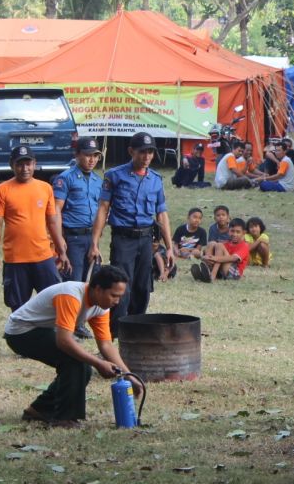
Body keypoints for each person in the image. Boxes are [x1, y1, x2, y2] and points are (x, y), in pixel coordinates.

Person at [4, 264, 138, 428]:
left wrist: (129, 375)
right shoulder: (71, 295)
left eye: (120, 297)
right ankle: (64, 418)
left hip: (44, 329)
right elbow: (64, 341)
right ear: (97, 289)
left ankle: (39, 410)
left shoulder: (101, 307)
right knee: (77, 362)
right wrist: (98, 363)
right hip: (21, 332)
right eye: (114, 295)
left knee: (78, 364)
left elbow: (106, 344)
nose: (117, 301)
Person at [89, 131, 174, 334]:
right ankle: (116, 333)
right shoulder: (114, 176)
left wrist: (169, 248)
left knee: (143, 287)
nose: (147, 157)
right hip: (123, 238)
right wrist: (94, 242)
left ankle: (136, 329)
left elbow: (162, 214)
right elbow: (103, 208)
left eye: (150, 152)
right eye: (142, 152)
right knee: (121, 288)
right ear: (131, 151)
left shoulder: (155, 179)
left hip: (146, 239)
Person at [0, 145, 70, 311]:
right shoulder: (1, 190)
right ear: (12, 165)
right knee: (18, 309)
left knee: (55, 304)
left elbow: (52, 221)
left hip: (43, 256)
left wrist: (61, 251)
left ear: (34, 164)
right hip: (15, 259)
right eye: (20, 164)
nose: (24, 168)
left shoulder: (45, 188)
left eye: (28, 164)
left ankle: (52, 337)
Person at [52, 137, 103, 284]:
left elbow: (100, 209)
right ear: (77, 155)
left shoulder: (98, 181)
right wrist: (60, 240)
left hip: (92, 237)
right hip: (73, 238)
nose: (92, 160)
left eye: (95, 155)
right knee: (74, 282)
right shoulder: (65, 178)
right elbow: (56, 210)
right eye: (88, 155)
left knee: (92, 282)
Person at [191, 218, 249, 282]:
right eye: (232, 231)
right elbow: (205, 252)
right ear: (228, 231)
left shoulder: (244, 246)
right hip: (222, 272)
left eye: (238, 232)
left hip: (234, 274)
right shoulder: (226, 243)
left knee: (219, 245)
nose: (234, 234)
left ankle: (213, 275)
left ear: (244, 233)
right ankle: (207, 270)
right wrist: (201, 255)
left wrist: (214, 258)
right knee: (211, 243)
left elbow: (233, 258)